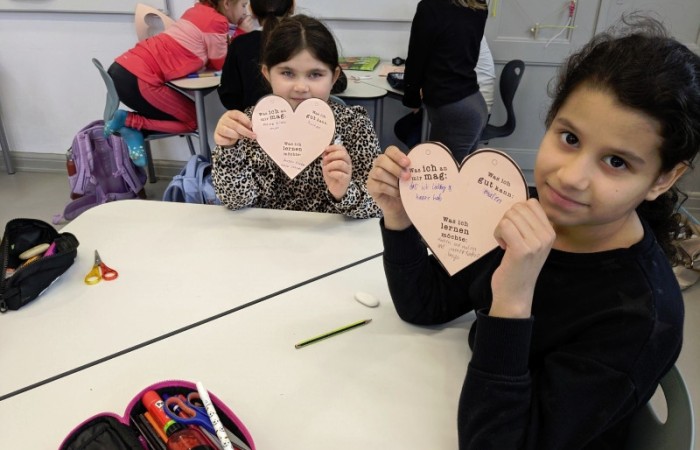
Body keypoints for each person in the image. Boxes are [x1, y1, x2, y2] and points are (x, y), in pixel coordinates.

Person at [367, 15, 700, 449]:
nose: (570, 177)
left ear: (664, 178)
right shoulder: (518, 208)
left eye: (617, 162)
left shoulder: (639, 317)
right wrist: (399, 216)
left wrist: (513, 298)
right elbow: (425, 305)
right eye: (569, 138)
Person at [211, 15, 382, 219]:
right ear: (267, 73)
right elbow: (236, 200)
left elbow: (378, 205)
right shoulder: (251, 126)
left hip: (332, 233)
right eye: (287, 73)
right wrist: (228, 149)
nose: (301, 87)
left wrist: (344, 192)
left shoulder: (354, 126)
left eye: (315, 74)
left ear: (334, 77)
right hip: (266, 232)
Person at [104, 0, 255, 167]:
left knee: (188, 116)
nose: (245, 11)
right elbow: (221, 64)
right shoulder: (216, 21)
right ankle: (129, 121)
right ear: (227, 4)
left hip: (123, 68)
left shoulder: (196, 11)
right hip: (139, 78)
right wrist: (242, 32)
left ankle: (132, 128)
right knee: (192, 121)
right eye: (243, 5)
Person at [402, 0, 488, 162]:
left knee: (444, 174)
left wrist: (412, 99)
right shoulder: (479, 5)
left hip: (453, 109)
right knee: (459, 172)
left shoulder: (431, 7)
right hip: (474, 102)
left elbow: (416, 59)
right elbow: (455, 54)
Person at [218, 0, 295, 111]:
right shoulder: (303, 41)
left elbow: (229, 95)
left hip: (251, 119)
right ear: (292, 7)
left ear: (251, 10)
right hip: (300, 118)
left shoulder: (240, 44)